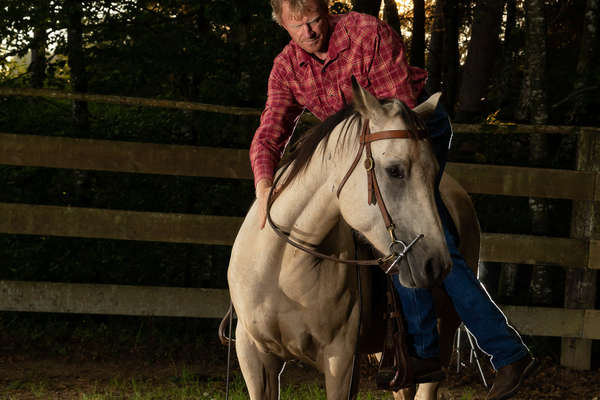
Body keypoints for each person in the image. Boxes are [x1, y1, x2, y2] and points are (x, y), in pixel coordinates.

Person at [249, 1, 537, 399]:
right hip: (359, 151)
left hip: (411, 134)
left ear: (327, 12)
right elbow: (269, 133)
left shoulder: (367, 34)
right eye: (298, 25)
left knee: (418, 238)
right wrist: (264, 185)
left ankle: (497, 352)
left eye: (315, 19)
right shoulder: (286, 66)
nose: (310, 32)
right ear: (283, 24)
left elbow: (398, 115)